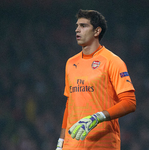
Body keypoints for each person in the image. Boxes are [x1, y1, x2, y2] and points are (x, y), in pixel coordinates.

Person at [56, 9, 136, 150]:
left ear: (96, 31)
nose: (77, 30)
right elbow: (70, 104)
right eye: (77, 26)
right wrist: (61, 141)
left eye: (83, 26)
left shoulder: (112, 61)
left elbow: (129, 102)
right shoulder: (70, 63)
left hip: (102, 144)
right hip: (72, 145)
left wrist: (98, 117)